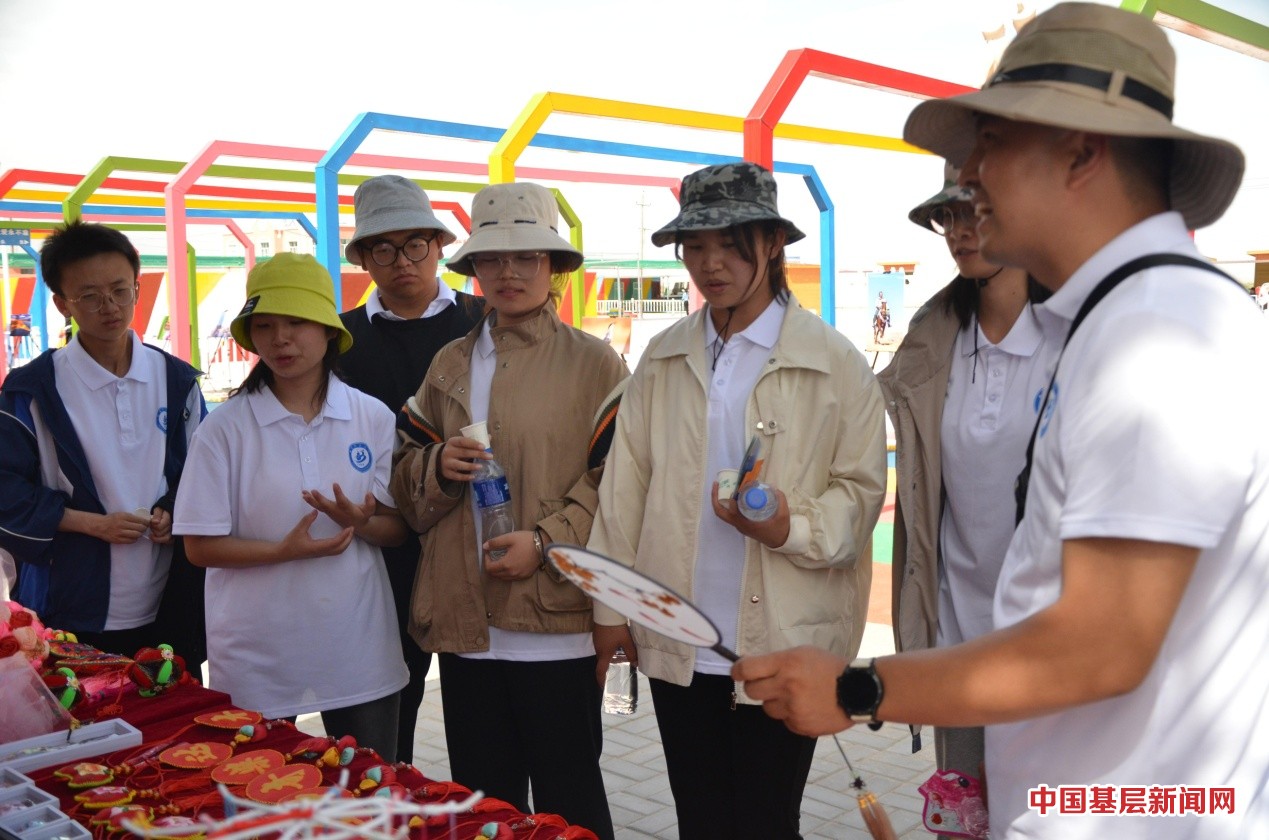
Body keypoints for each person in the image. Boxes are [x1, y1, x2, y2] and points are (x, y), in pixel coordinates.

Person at [734, 5, 1268, 838]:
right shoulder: (1122, 319)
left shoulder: (1156, 333)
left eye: (992, 143)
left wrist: (858, 689)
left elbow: (1100, 644)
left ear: (1081, 151)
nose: (969, 176)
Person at [588, 162, 887, 839]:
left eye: (729, 243)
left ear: (773, 242)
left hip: (789, 636)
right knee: (699, 818)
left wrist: (790, 524)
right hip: (676, 630)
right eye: (695, 247)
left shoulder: (833, 363)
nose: (710, 263)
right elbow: (623, 490)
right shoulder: (662, 358)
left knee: (763, 821)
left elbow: (861, 495)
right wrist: (610, 609)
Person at [389, 182, 626, 838]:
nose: (509, 272)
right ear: (473, 269)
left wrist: (546, 541)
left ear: (552, 267)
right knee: (484, 807)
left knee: (569, 802)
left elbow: (619, 482)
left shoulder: (593, 363)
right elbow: (405, 477)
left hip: (555, 623)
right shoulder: (449, 363)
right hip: (466, 622)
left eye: (527, 257)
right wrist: (438, 468)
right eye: (492, 259)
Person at [173, 253, 409, 761]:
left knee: (368, 800)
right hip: (257, 657)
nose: (280, 339)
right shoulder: (225, 429)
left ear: (328, 331)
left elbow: (399, 530)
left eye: (297, 322)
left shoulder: (371, 417)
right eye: (265, 325)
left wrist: (362, 522)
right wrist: (284, 550)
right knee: (260, 799)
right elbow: (199, 547)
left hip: (358, 648)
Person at [876, 163, 1055, 817]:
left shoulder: (1077, 338)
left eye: (976, 211)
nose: (960, 230)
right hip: (957, 641)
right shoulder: (931, 343)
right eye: (949, 216)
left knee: (1046, 819)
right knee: (964, 819)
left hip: (1052, 644)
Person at [0, 221, 206, 659]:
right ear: (61, 304)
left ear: (137, 286)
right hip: (69, 608)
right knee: (80, 717)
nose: (109, 307)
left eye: (119, 290)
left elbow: (204, 471)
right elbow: (5, 490)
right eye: (89, 296)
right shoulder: (33, 390)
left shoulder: (176, 381)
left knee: (175, 720)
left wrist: (173, 511)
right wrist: (92, 524)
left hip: (171, 605)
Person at [338, 174, 484, 765]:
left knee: (483, 724)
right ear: (364, 258)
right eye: (383, 248)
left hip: (478, 542)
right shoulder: (338, 340)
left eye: (415, 244)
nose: (401, 261)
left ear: (440, 245)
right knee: (381, 726)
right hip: (379, 552)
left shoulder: (484, 320)